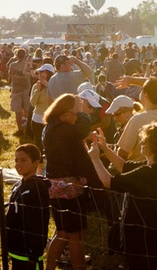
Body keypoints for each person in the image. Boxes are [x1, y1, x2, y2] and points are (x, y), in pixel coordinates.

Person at [88, 122, 157, 270]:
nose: (141, 142)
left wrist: (95, 159)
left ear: (155, 145)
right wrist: (104, 147)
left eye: (145, 140)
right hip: (148, 232)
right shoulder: (155, 168)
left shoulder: (148, 173)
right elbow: (123, 167)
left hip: (142, 237)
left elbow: (108, 182)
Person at [42, 94, 101, 270]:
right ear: (66, 114)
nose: (77, 118)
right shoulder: (63, 129)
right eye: (75, 114)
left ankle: (49, 267)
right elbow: (82, 130)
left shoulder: (51, 128)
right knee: (74, 235)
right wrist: (83, 113)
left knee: (63, 233)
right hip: (68, 187)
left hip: (56, 185)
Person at [6, 144, 51, 270]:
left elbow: (40, 220)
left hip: (30, 252)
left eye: (23, 160)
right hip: (16, 248)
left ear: (36, 163)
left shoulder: (38, 188)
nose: (18, 164)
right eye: (16, 160)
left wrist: (35, 250)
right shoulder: (18, 185)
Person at [115, 77, 157, 160]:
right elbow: (154, 84)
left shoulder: (138, 120)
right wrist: (130, 80)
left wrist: (130, 80)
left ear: (145, 96)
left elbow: (121, 154)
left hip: (136, 169)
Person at [29, 63, 54, 153]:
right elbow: (33, 103)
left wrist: (48, 86)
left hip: (50, 119)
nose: (39, 75)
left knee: (49, 144)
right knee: (38, 144)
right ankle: (38, 163)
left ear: (49, 73)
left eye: (42, 72)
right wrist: (38, 91)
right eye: (39, 73)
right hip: (37, 119)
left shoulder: (53, 86)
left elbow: (56, 100)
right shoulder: (36, 86)